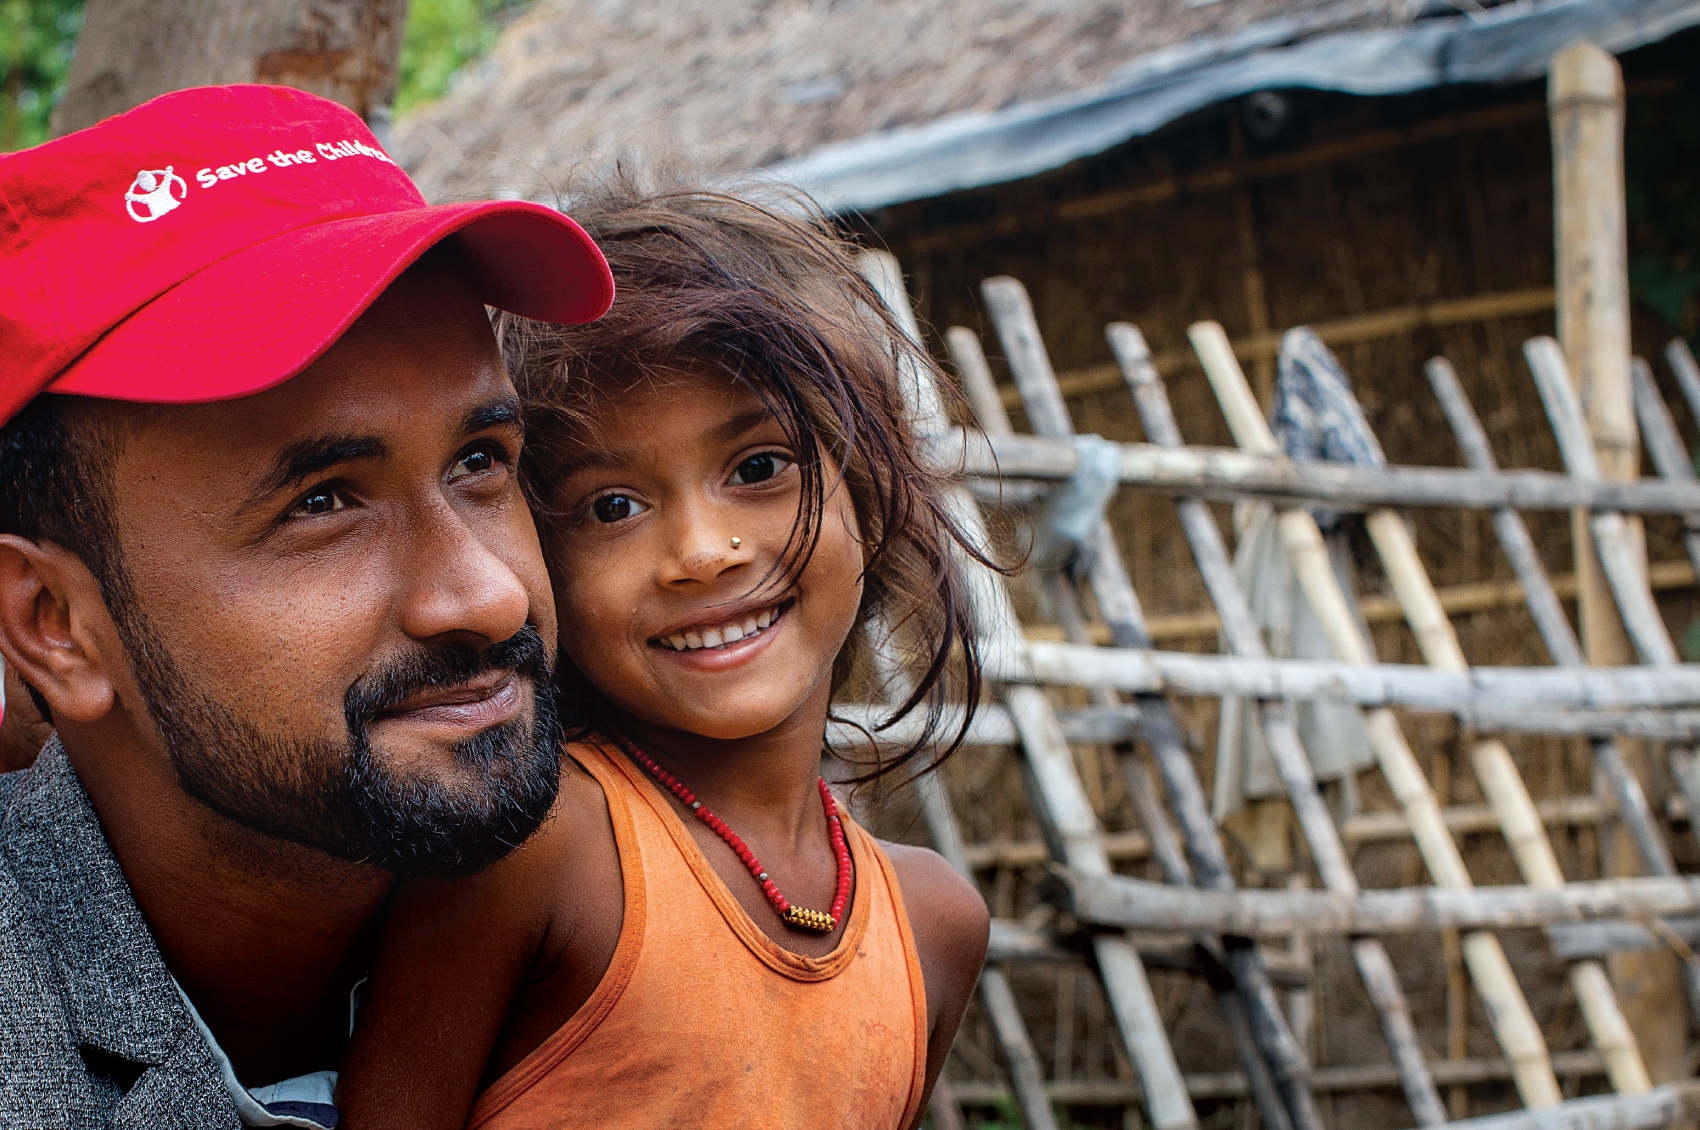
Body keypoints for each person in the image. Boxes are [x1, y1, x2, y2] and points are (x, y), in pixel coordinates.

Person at [0, 84, 613, 1128]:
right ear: (55, 621)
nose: (487, 591)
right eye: (323, 501)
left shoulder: (669, 909)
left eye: (479, 461)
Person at [338, 185, 994, 1129]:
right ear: (535, 559)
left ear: (873, 490)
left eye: (760, 468)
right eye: (613, 507)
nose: (701, 552)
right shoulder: (543, 851)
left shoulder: (932, 923)